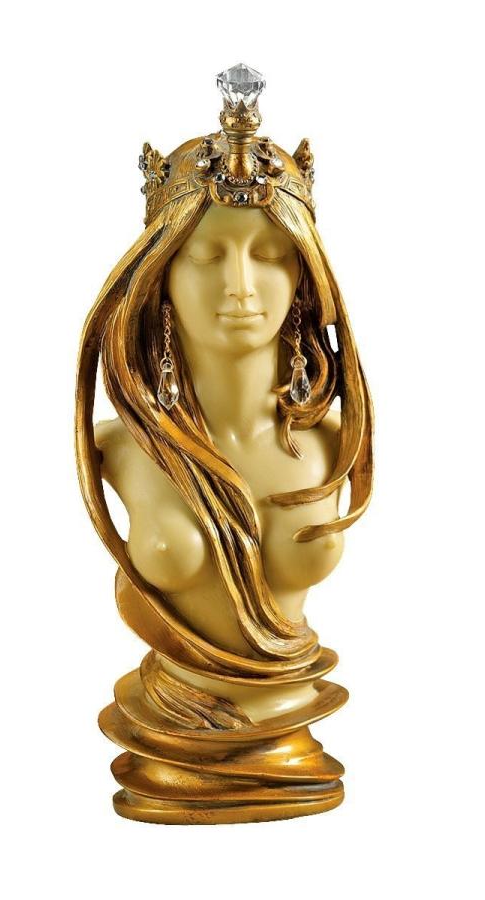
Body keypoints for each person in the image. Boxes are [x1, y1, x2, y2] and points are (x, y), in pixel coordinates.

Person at [74, 63, 374, 823]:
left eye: (268, 255)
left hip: (297, 746)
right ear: (161, 278)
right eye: (207, 257)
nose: (240, 284)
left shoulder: (335, 442)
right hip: (168, 750)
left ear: (304, 277)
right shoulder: (120, 449)